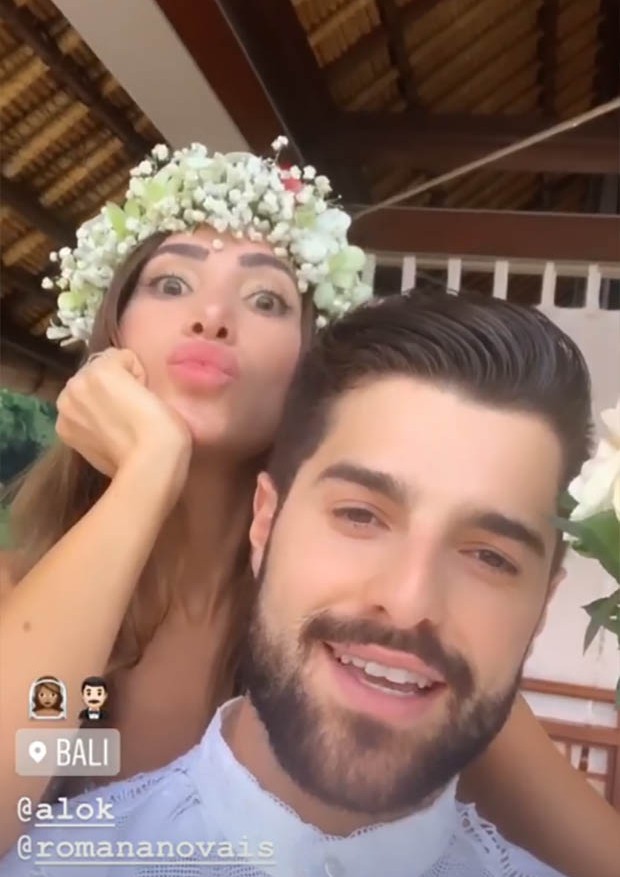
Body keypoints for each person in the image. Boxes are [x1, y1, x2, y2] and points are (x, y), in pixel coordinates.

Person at [0, 143, 618, 876]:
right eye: (171, 283)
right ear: (112, 334)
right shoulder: (20, 586)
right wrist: (146, 473)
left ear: (309, 365)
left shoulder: (379, 639)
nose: (211, 316)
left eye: (266, 299)